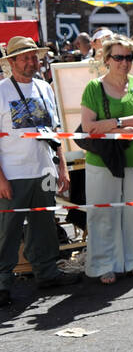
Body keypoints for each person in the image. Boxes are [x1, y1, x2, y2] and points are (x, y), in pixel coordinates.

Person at [0, 37, 80, 308]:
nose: (31, 61)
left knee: (44, 225)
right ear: (11, 62)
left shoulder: (45, 88)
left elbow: (54, 132)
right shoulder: (1, 91)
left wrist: (62, 166)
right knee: (7, 231)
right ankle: (2, 284)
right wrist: (0, 179)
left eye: (34, 56)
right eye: (24, 57)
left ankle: (47, 273)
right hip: (13, 173)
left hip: (44, 169)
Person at [78, 35, 133, 283]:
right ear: (107, 59)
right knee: (103, 213)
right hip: (103, 160)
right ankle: (104, 264)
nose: (124, 62)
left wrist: (113, 124)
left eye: (129, 57)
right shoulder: (93, 88)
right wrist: (119, 130)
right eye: (119, 57)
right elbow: (89, 127)